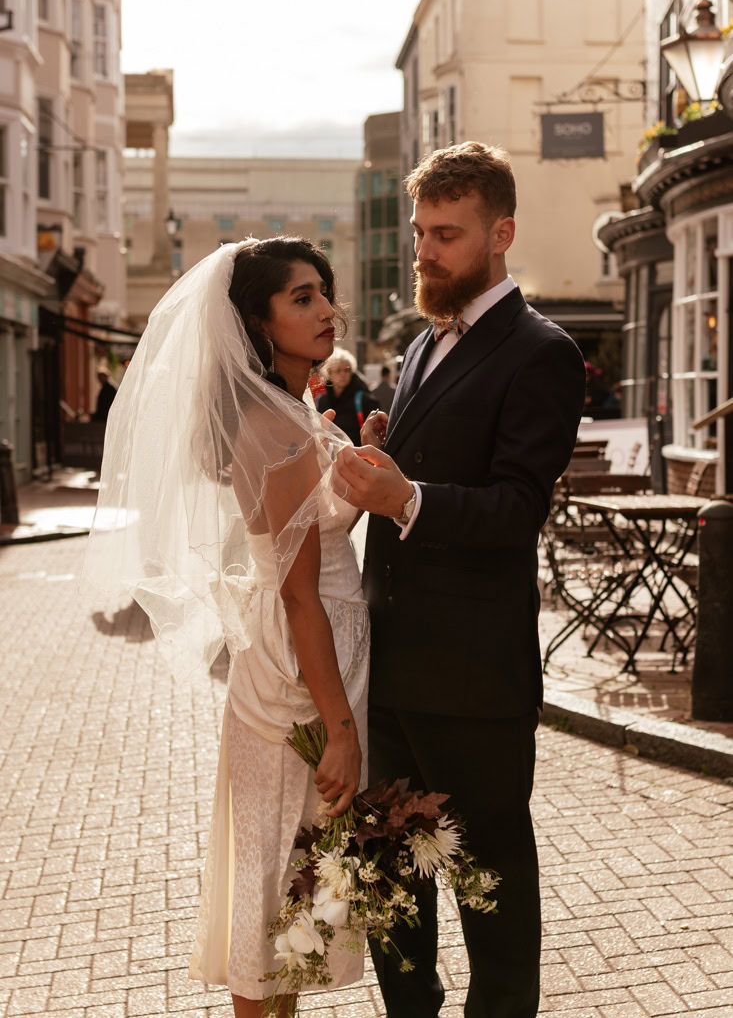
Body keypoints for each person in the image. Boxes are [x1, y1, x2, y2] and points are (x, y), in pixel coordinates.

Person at [82, 237, 369, 1018]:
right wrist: (339, 727)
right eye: (301, 297)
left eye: (325, 292)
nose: (326, 309)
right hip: (301, 666)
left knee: (288, 887)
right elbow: (302, 595)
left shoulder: (284, 406)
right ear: (256, 320)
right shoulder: (276, 430)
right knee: (273, 882)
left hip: (301, 651)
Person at [332, 141, 586, 1018]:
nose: (425, 252)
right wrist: (385, 458)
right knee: (389, 872)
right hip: (391, 664)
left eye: (446, 234)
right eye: (418, 232)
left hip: (476, 678)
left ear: (500, 233)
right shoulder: (418, 345)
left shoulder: (541, 351)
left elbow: (516, 509)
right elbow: (428, 477)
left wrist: (405, 494)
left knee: (490, 884)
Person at [316, 348, 378, 445]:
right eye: (338, 370)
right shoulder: (322, 400)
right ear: (330, 374)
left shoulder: (364, 399)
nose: (343, 374)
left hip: (358, 455)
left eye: (347, 370)